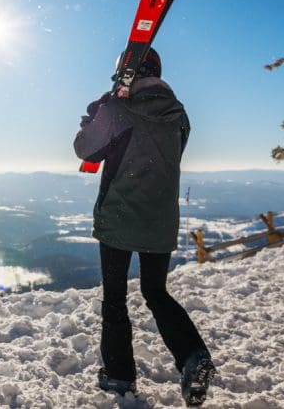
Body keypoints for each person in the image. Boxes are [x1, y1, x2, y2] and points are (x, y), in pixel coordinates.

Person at [73, 49, 216, 407]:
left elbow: (86, 151)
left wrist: (95, 117)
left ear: (125, 73)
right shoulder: (179, 115)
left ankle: (119, 374)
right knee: (156, 292)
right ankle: (192, 356)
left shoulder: (117, 111)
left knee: (115, 299)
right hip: (160, 220)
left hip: (120, 219)